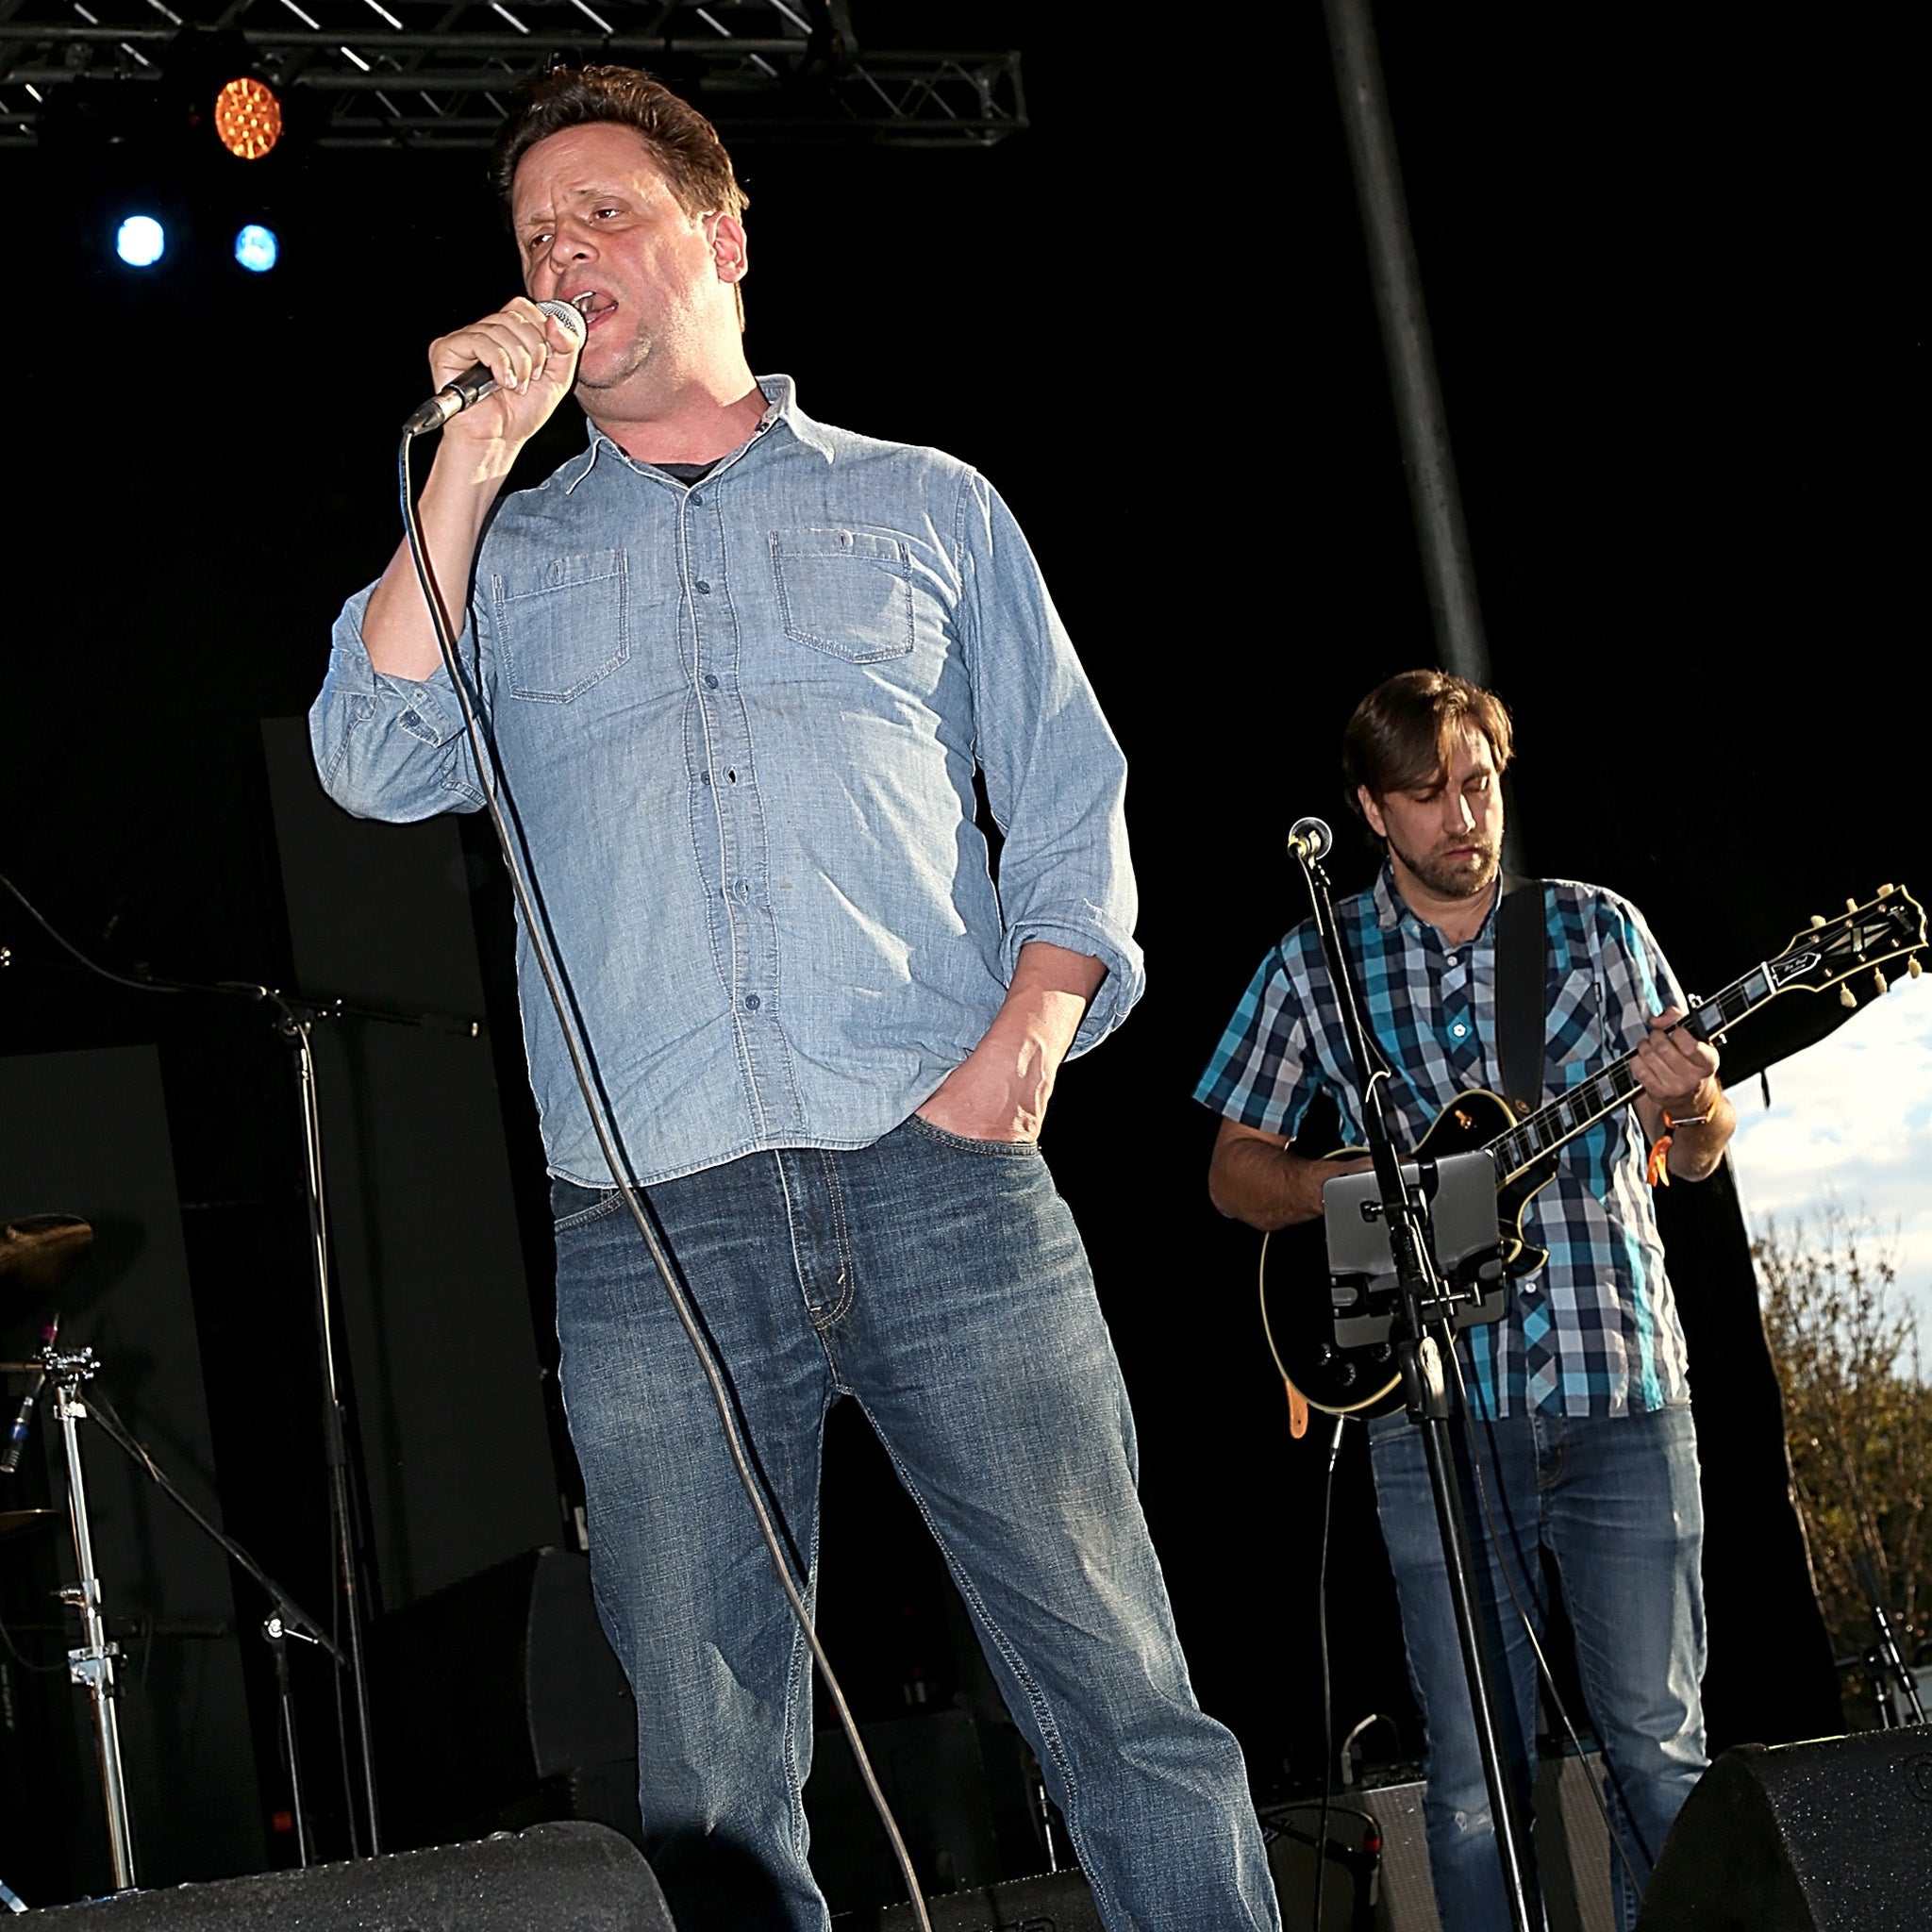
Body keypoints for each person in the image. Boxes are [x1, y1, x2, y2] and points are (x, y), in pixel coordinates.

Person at [309, 64, 1277, 1932]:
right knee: (712, 1775)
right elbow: (370, 750)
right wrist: (466, 459)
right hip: (651, 1225)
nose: (561, 256)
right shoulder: (499, 551)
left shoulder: (925, 507)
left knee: (1121, 1699)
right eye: (530, 238)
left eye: (601, 214)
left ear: (723, 238)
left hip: (944, 1178)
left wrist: (1021, 1056)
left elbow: (1068, 814)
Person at [1197, 669, 1730, 1931]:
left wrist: (1689, 1100)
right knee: (1475, 1788)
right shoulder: (1311, 969)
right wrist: (1363, 1189)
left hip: (1619, 1398)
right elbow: (1232, 1172)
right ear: (1374, 813)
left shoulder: (1593, 931)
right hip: (1431, 1426)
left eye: (1477, 786)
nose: (1463, 817)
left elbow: (1699, 1152)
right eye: (1428, 796)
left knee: (1660, 1755)